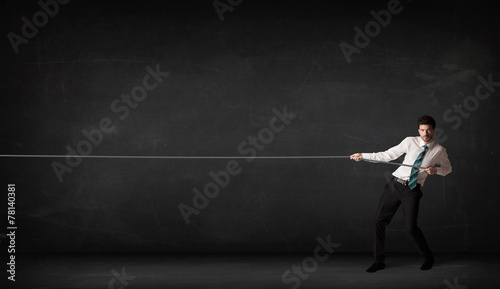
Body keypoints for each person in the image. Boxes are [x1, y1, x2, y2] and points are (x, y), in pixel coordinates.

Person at [350, 115, 452, 272]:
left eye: (429, 130)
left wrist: (436, 170)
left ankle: (428, 258)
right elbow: (387, 155)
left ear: (434, 130)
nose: (426, 133)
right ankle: (379, 261)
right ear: (419, 130)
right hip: (395, 185)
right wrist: (363, 156)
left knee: (411, 228)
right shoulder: (409, 141)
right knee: (379, 221)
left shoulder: (439, 150)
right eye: (423, 130)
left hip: (412, 190)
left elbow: (448, 169)